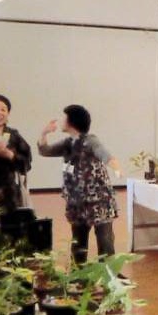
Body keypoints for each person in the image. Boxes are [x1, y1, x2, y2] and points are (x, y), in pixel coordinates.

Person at [38, 105, 122, 264]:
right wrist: (44, 133)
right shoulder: (68, 143)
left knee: (105, 241)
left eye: (64, 118)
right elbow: (45, 150)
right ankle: (79, 274)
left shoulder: (90, 141)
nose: (62, 121)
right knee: (78, 243)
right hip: (77, 202)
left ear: (72, 121)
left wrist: (116, 167)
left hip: (98, 201)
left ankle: (109, 274)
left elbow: (104, 154)